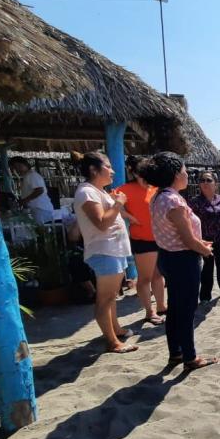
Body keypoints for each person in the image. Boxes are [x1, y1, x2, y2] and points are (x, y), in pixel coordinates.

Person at [140, 152, 218, 371]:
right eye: (185, 171)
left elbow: (174, 232)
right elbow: (186, 238)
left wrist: (198, 242)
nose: (187, 175)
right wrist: (204, 249)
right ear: (176, 174)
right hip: (182, 260)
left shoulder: (158, 196)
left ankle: (176, 353)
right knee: (185, 311)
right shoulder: (173, 200)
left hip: (168, 256)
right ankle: (190, 358)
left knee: (175, 308)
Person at [72, 151, 138, 354]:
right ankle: (112, 342)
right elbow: (101, 223)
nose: (113, 171)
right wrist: (118, 203)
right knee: (105, 298)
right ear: (94, 169)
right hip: (104, 251)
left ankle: (115, 329)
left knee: (111, 297)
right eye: (108, 166)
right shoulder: (86, 192)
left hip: (113, 250)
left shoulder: (97, 191)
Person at [116, 156, 167, 323]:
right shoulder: (125, 189)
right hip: (142, 238)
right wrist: (129, 216)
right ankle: (149, 311)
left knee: (158, 275)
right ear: (132, 171)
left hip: (159, 237)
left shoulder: (154, 188)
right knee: (145, 278)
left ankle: (161, 306)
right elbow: (110, 203)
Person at [189, 171, 220, 302]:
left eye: (208, 180)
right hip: (205, 240)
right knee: (207, 268)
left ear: (215, 184)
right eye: (202, 180)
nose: (205, 182)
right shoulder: (194, 202)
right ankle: (205, 296)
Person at [9, 156, 54, 224]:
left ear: (23, 164)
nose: (17, 169)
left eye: (18, 166)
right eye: (15, 168)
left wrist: (24, 200)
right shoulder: (27, 176)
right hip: (37, 209)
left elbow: (39, 190)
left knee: (42, 232)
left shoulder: (32, 175)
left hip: (41, 209)